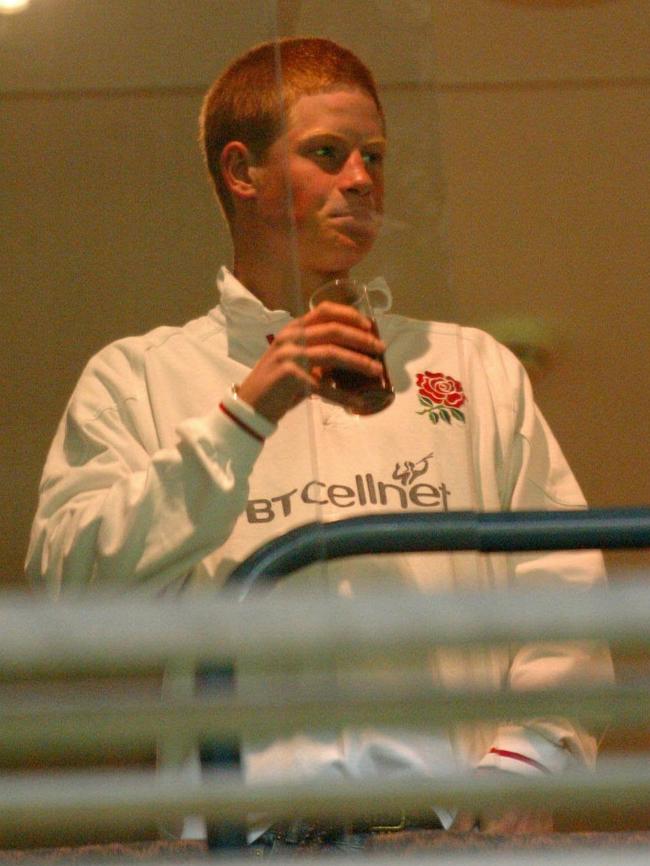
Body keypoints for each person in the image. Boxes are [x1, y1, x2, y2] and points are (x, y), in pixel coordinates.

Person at [27, 37, 612, 850]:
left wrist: (532, 762)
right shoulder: (138, 378)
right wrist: (248, 410)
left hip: (449, 837)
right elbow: (73, 586)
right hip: (234, 841)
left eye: (373, 155)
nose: (363, 179)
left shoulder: (471, 366)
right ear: (242, 172)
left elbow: (564, 584)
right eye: (328, 154)